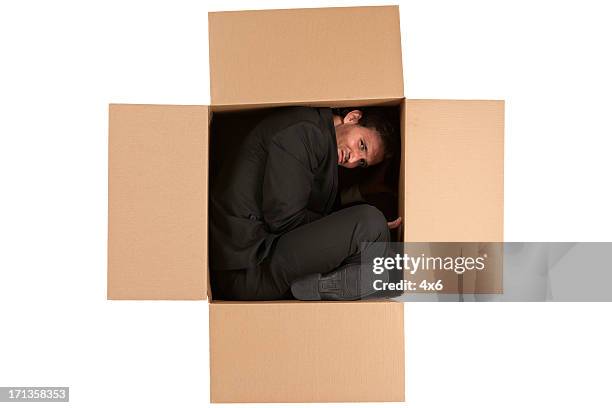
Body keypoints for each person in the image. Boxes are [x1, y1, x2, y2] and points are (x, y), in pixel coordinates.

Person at [210, 106, 401, 300]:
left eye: (361, 163)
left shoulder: (320, 137)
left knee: (379, 259)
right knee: (371, 225)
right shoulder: (304, 133)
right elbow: (285, 221)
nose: (353, 159)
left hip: (256, 257)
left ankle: (322, 284)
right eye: (362, 145)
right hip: (247, 269)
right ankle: (320, 285)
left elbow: (304, 205)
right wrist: (350, 233)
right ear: (353, 118)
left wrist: (359, 192)